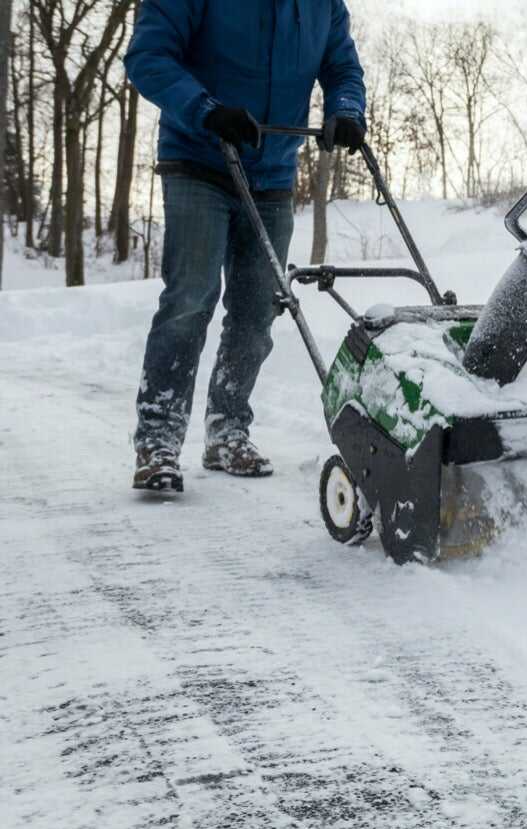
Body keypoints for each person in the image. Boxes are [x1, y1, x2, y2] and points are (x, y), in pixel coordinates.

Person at [124, 0, 366, 493]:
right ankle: (158, 440)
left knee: (259, 308)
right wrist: (205, 110)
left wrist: (345, 110)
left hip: (273, 170)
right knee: (190, 298)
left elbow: (342, 66)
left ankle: (227, 429)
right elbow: (147, 56)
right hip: (198, 157)